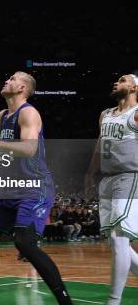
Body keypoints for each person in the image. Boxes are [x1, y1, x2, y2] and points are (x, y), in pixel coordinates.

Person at [0, 72, 71, 304]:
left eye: (12, 78)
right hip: (11, 189)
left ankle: (65, 301)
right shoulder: (3, 115)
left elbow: (29, 149)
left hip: (34, 187)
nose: (7, 79)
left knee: (24, 243)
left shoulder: (28, 113)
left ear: (22, 88)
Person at [86, 73, 138, 305]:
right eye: (116, 79)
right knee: (114, 240)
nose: (116, 82)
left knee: (119, 239)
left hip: (129, 177)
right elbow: (100, 144)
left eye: (123, 80)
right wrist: (89, 171)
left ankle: (113, 301)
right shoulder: (105, 115)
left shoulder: (135, 114)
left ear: (135, 87)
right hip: (106, 179)